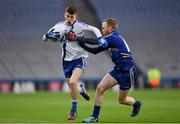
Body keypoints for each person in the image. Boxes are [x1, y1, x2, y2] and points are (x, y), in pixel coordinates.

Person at [65, 18, 142, 123]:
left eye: (103, 28)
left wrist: (77, 38)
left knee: (122, 100)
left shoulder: (113, 37)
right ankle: (94, 117)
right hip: (117, 70)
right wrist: (82, 45)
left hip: (127, 72)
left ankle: (137, 104)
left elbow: (97, 41)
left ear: (110, 27)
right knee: (100, 88)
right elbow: (96, 50)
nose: (102, 30)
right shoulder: (109, 39)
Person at [43, 6, 102, 120]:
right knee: (72, 85)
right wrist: (47, 36)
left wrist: (100, 38)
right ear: (64, 15)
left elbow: (94, 29)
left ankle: (73, 111)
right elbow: (44, 38)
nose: (69, 18)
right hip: (66, 61)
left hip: (79, 59)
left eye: (72, 16)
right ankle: (81, 90)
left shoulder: (79, 26)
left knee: (73, 81)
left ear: (75, 16)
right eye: (68, 16)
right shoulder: (58, 26)